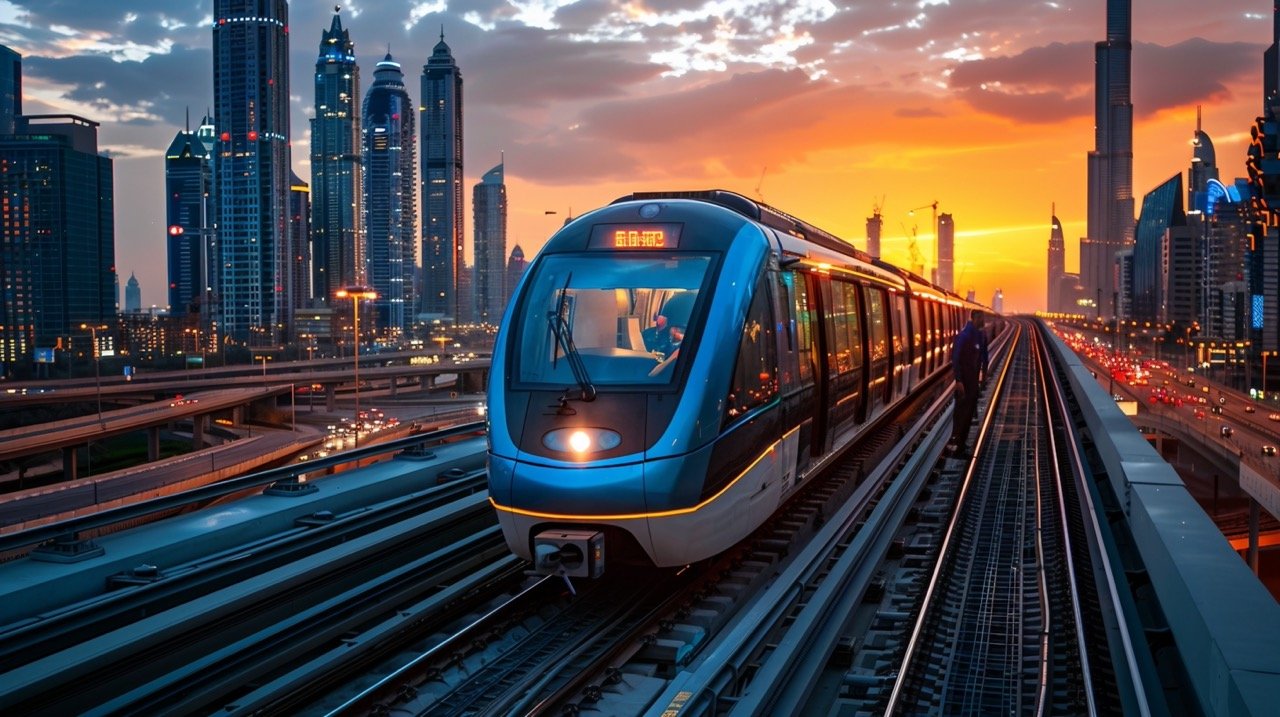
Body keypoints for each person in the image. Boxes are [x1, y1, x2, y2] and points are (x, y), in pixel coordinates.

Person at [948, 309, 989, 458]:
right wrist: (958, 380)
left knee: (969, 413)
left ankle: (961, 444)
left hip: (973, 382)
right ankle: (956, 446)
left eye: (983, 318)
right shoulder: (964, 336)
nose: (983, 321)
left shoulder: (980, 335)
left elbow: (985, 356)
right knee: (961, 414)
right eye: (980, 318)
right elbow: (956, 359)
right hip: (964, 381)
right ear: (973, 318)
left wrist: (984, 375)